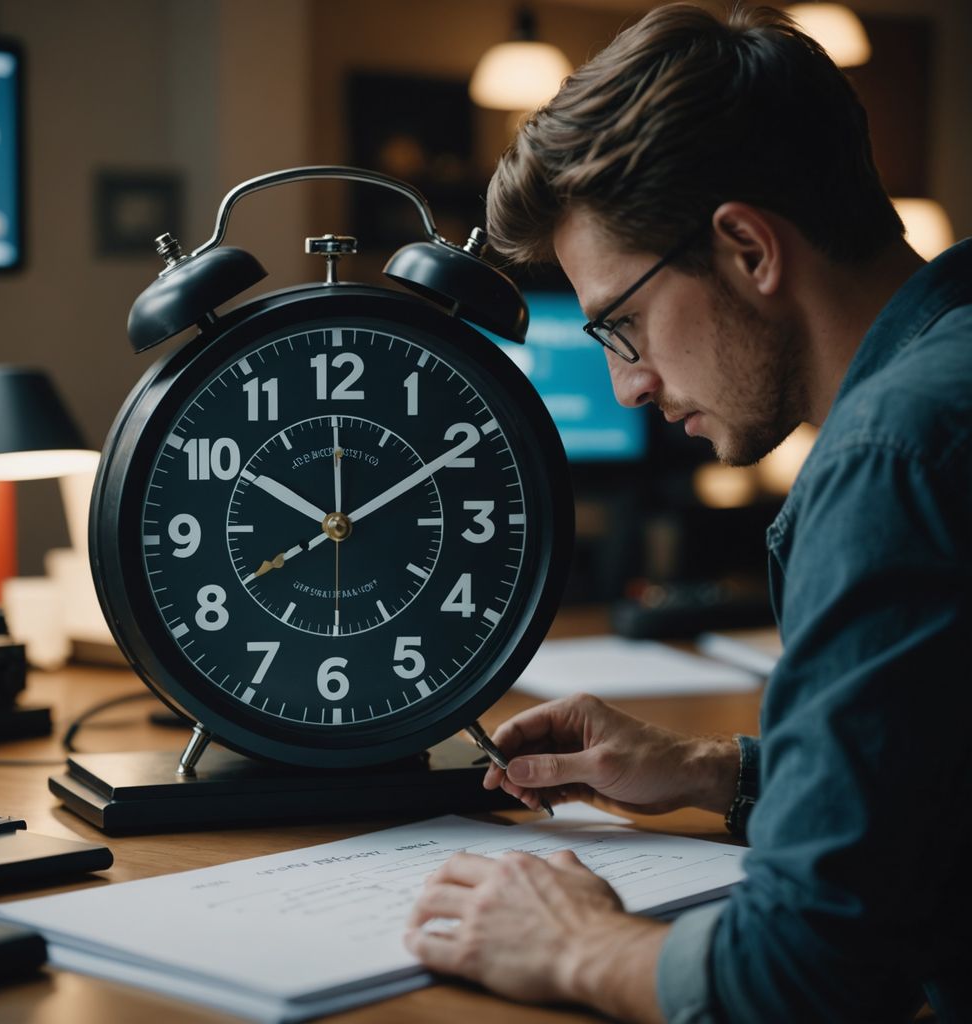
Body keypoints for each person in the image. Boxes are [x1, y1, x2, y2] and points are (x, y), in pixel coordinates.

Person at [404, 3, 971, 1021]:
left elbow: (811, 977)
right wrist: (718, 771)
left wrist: (579, 944)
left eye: (619, 325)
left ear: (748, 248)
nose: (626, 386)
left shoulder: (894, 458)